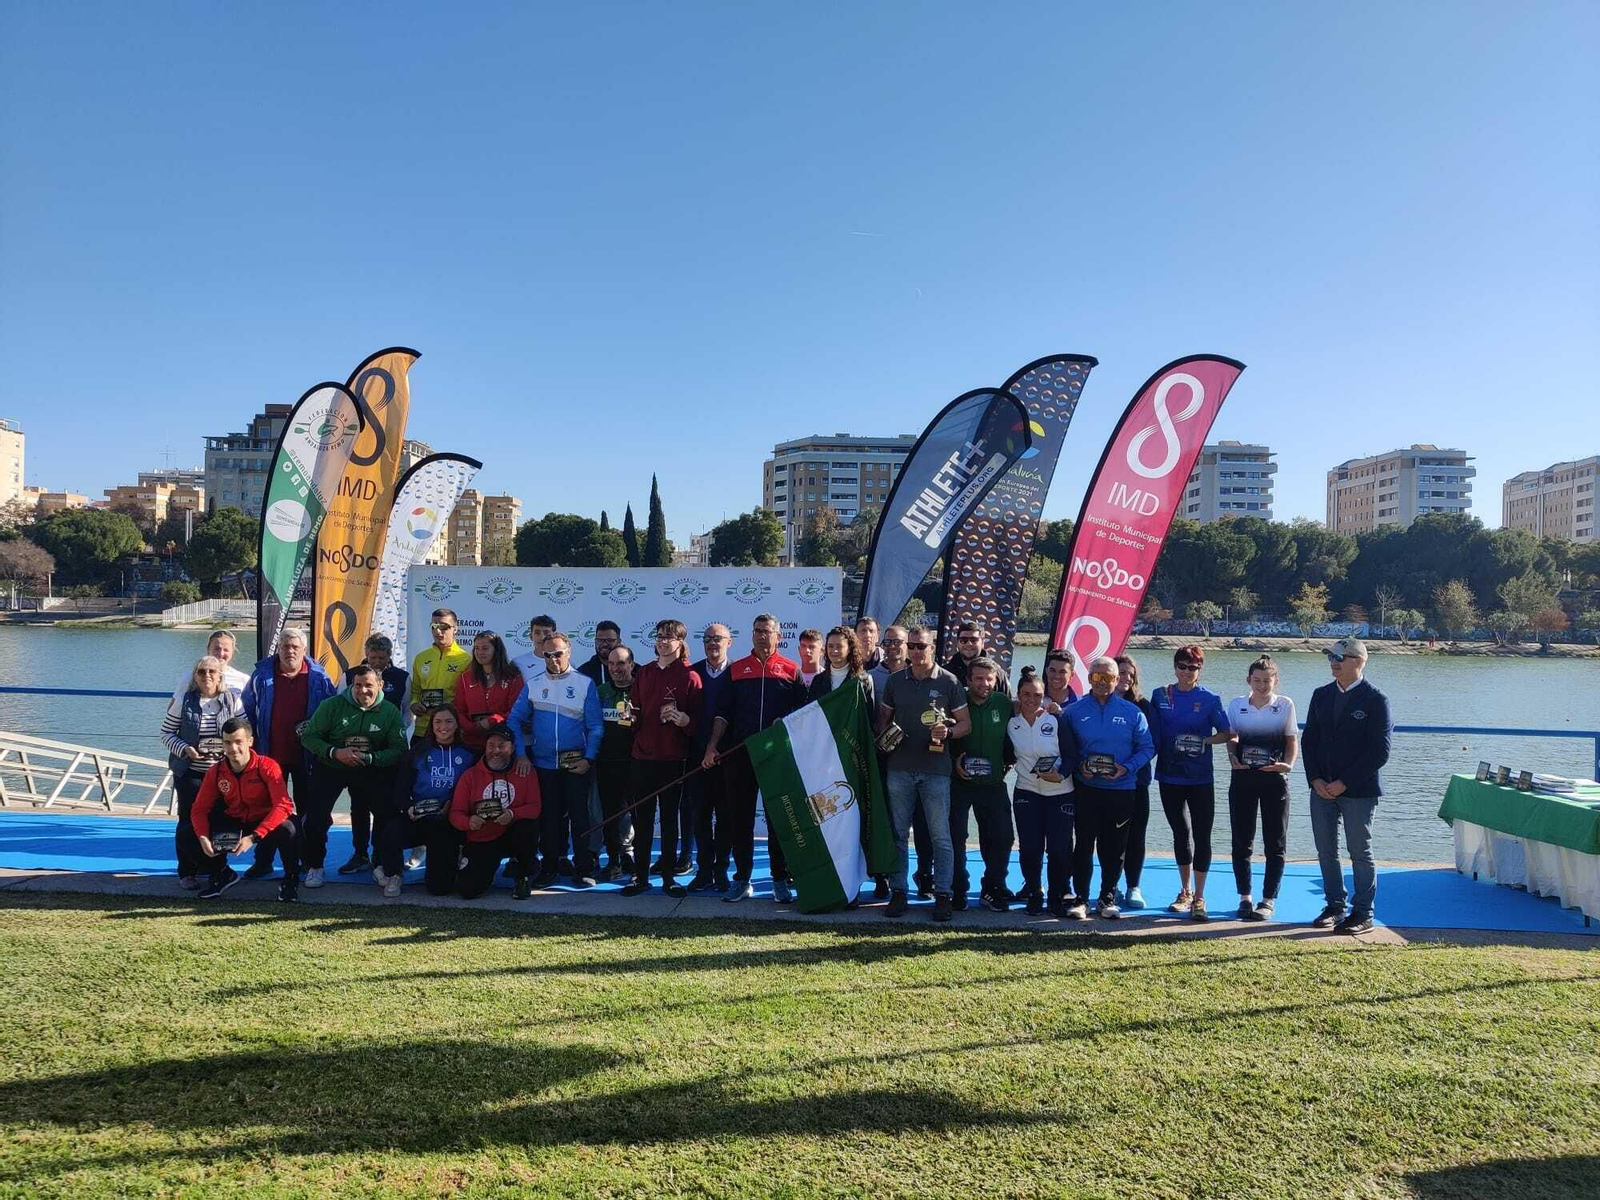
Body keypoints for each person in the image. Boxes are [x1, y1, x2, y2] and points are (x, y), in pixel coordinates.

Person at [704, 613, 808, 903]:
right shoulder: (736, 670)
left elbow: (802, 716)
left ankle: (779, 879)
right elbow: (722, 715)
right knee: (740, 819)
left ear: (778, 636)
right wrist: (712, 746)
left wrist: (785, 723)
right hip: (739, 755)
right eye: (757, 631)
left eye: (767, 631)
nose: (762, 636)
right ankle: (742, 879)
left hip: (777, 759)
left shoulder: (791, 670)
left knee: (778, 820)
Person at [878, 626, 971, 921]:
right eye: (912, 646)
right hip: (900, 768)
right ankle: (899, 891)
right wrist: (886, 738)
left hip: (936, 770)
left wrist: (949, 731)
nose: (917, 651)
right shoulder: (895, 681)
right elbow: (882, 721)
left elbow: (966, 724)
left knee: (939, 835)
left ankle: (942, 893)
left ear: (933, 648)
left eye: (922, 646)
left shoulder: (949, 681)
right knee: (898, 834)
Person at [1302, 638, 1392, 934]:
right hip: (1321, 789)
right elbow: (1309, 740)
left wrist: (1344, 783)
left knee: (1359, 850)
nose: (1334, 662)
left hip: (1358, 792)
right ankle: (1335, 905)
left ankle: (1363, 912)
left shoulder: (1375, 699)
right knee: (1326, 850)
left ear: (1359, 661)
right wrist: (1315, 779)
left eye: (1340, 656)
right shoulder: (1320, 695)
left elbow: (1380, 752)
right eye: (1331, 657)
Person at [299, 663, 407, 886]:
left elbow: (398, 749)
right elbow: (309, 737)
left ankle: (378, 862)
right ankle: (315, 865)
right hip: (332, 765)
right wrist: (335, 752)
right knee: (316, 815)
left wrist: (371, 758)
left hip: (369, 767)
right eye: (357, 686)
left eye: (368, 685)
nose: (362, 691)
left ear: (380, 685)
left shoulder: (390, 711)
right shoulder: (331, 706)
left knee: (385, 812)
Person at [240, 627, 336, 878]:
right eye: (285, 646)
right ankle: (263, 861)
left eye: (295, 647)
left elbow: (331, 713)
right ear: (278, 648)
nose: (290, 651)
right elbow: (247, 710)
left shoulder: (319, 677)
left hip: (308, 756)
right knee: (267, 809)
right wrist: (251, 746)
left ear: (304, 650)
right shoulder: (261, 675)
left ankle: (307, 860)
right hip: (270, 756)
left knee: (308, 810)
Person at [508, 632, 602, 888]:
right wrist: (520, 754)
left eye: (558, 654)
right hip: (544, 765)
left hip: (576, 764)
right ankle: (549, 867)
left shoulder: (585, 683)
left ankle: (583, 868)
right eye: (548, 655)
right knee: (548, 819)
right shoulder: (535, 684)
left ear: (568, 652)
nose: (553, 659)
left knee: (580, 818)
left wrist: (589, 759)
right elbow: (513, 720)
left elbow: (595, 727)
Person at [1066, 656, 1155, 920]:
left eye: (1107, 678)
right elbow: (1066, 750)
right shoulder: (1074, 711)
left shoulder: (1133, 713)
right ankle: (1081, 898)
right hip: (1086, 789)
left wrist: (1126, 768)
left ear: (1117, 681)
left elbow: (1147, 747)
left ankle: (1107, 897)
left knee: (1113, 847)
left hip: (1122, 789)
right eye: (1096, 677)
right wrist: (1077, 766)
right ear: (1089, 678)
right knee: (1083, 844)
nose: (1102, 682)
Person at [1149, 646, 1231, 921]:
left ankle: (1200, 896)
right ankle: (1184, 891)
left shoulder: (1210, 699)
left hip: (1200, 778)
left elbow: (1227, 733)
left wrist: (1205, 742)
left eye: (1192, 667)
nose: (1186, 672)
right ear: (1174, 667)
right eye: (1181, 666)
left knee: (1202, 835)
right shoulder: (1160, 695)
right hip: (1169, 775)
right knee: (1180, 834)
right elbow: (1151, 737)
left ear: (1200, 670)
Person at [623, 619, 702, 897]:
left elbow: (697, 725)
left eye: (668, 637)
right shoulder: (644, 673)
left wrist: (684, 720)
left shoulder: (690, 676)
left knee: (669, 821)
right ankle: (641, 877)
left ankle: (669, 877)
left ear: (680, 642)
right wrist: (629, 717)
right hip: (642, 756)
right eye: (658, 637)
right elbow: (634, 715)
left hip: (673, 759)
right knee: (642, 820)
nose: (662, 642)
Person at [185, 717, 302, 902]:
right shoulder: (215, 772)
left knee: (289, 828)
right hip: (236, 820)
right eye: (227, 743)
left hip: (264, 823)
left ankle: (291, 878)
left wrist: (254, 836)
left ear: (250, 741)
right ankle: (222, 873)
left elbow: (283, 805)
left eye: (238, 742)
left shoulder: (267, 766)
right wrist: (203, 837)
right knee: (189, 831)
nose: (233, 749)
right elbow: (199, 810)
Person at [160, 655, 245, 889]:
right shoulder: (184, 702)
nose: (207, 676)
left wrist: (232, 752)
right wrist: (185, 748)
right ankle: (187, 872)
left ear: (220, 676)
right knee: (188, 822)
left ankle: (217, 869)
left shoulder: (233, 701)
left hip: (222, 775)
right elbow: (166, 733)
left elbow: (244, 735)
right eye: (202, 672)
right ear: (195, 676)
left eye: (212, 672)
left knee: (219, 820)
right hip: (191, 774)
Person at [1226, 655, 1299, 921]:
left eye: (1267, 680)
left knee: (1275, 842)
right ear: (1249, 680)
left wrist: (1288, 764)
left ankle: (1268, 900)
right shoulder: (1236, 705)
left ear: (1275, 681)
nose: (1261, 685)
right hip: (1243, 778)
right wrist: (1232, 757)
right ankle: (1244, 897)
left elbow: (1292, 740)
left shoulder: (1285, 705)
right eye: (1256, 680)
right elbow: (1232, 737)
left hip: (1274, 780)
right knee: (1242, 840)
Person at [375, 707, 474, 898]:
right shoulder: (417, 754)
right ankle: (393, 874)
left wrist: (453, 806)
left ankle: (455, 860)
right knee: (390, 832)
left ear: (456, 725)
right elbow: (400, 791)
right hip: (419, 818)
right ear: (431, 725)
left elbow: (474, 791)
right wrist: (409, 808)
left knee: (439, 889)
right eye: (438, 722)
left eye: (448, 722)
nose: (443, 727)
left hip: (448, 822)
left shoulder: (469, 756)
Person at [951, 656, 1016, 912]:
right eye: (978, 678)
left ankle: (993, 888)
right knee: (956, 837)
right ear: (968, 680)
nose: (984, 683)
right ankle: (958, 888)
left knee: (1002, 836)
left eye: (989, 678)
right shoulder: (956, 703)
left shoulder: (1004, 703)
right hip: (959, 782)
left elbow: (1028, 714)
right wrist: (952, 762)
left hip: (992, 783)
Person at [447, 726, 542, 899]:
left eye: (502, 745)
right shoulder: (470, 775)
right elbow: (455, 813)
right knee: (467, 890)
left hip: (513, 833)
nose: (495, 751)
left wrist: (513, 814)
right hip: (482, 837)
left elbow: (535, 808)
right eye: (491, 745)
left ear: (512, 748)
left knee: (527, 827)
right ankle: (485, 870)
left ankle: (523, 875)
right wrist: (469, 822)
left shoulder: (525, 771)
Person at [1007, 668, 1073, 915]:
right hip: (1027, 790)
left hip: (1060, 791)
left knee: (1057, 848)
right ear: (1018, 695)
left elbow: (1072, 754)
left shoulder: (1055, 719)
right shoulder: (1011, 723)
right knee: (1030, 847)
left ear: (1044, 696)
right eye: (1026, 694)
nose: (1032, 700)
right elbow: (1006, 753)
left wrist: (1061, 774)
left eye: (1037, 695)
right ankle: (1035, 892)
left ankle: (1056, 895)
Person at [686, 623, 735, 892]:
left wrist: (717, 749)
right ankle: (704, 870)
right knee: (700, 816)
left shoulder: (738, 673)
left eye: (718, 639)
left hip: (727, 759)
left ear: (729, 642)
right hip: (697, 759)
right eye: (707, 639)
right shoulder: (691, 673)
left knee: (725, 816)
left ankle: (722, 870)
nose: (712, 643)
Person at [866, 624, 912, 900]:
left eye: (899, 642)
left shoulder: (920, 675)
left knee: (909, 825)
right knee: (882, 823)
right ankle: (881, 877)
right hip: (882, 761)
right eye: (889, 642)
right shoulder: (870, 678)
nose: (894, 647)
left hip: (915, 760)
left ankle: (920, 876)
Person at [1113, 653, 1155, 910]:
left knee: (1136, 837)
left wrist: (1127, 767)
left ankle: (1133, 887)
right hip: (1106, 783)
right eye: (1121, 672)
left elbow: (1151, 745)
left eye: (1131, 674)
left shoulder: (1143, 706)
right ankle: (1112, 886)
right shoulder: (1097, 704)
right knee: (1111, 838)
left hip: (1137, 781)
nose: (1126, 678)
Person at [594, 644, 639, 879]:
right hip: (607, 763)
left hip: (637, 762)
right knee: (610, 814)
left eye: (621, 663)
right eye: (611, 664)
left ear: (631, 664)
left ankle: (635, 860)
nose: (615, 668)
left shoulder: (641, 689)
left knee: (638, 814)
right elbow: (591, 726)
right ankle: (613, 860)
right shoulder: (600, 692)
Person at [454, 631, 525, 753]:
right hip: (471, 743)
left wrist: (492, 721)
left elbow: (516, 711)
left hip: (501, 745)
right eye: (477, 648)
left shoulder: (513, 678)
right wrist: (470, 727)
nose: (480, 652)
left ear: (496, 650)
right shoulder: (465, 678)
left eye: (485, 648)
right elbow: (458, 709)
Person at [410, 608, 471, 734]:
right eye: (434, 626)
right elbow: (415, 691)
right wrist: (415, 704)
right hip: (422, 728)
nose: (437, 631)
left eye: (443, 626)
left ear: (455, 629)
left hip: (450, 729)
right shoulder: (421, 657)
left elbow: (468, 698)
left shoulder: (466, 659)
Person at [169, 629, 250, 699]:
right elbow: (174, 709)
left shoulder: (244, 680)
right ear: (208, 649)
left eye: (226, 650)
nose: (221, 653)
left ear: (232, 652)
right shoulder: (189, 677)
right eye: (217, 648)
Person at [944, 619, 1012, 695]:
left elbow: (1007, 704)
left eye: (974, 640)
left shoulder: (998, 674)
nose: (968, 644)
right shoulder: (945, 673)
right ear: (957, 642)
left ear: (983, 643)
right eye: (963, 640)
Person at [346, 634, 409, 715]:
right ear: (366, 654)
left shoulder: (402, 677)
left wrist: (402, 727)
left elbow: (407, 710)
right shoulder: (349, 675)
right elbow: (341, 703)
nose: (377, 662)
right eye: (373, 658)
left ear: (389, 655)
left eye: (381, 658)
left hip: (390, 725)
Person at [511, 614, 558, 686]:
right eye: (537, 633)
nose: (542, 637)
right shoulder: (517, 663)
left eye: (546, 633)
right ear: (531, 636)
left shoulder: (566, 663)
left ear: (555, 637)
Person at [578, 621, 623, 686]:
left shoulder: (633, 671)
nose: (604, 644)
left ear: (619, 641)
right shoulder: (583, 673)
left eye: (610, 640)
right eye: (600, 640)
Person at [1040, 649, 1079, 713]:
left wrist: (1061, 713)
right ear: (1046, 671)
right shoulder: (1033, 699)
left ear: (1072, 674)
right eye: (1052, 670)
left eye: (1062, 672)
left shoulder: (1079, 704)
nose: (1057, 676)